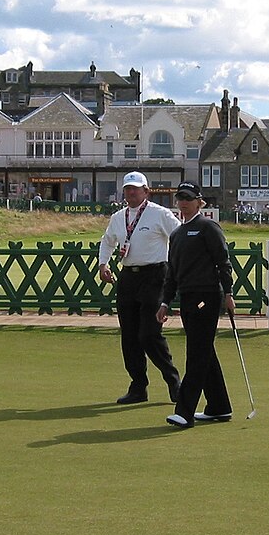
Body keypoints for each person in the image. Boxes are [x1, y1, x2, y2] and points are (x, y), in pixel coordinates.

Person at [99, 171, 182, 405]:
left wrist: (177, 268)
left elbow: (178, 237)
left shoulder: (160, 214)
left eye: (136, 188)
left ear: (146, 191)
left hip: (155, 276)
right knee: (129, 336)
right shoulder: (118, 217)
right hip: (128, 278)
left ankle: (173, 380)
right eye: (128, 189)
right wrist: (103, 264)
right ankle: (138, 386)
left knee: (149, 334)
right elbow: (108, 241)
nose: (131, 192)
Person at [156, 181, 234, 428]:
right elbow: (172, 274)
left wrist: (229, 293)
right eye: (180, 198)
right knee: (205, 352)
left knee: (197, 353)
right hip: (187, 297)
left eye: (188, 198)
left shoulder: (207, 227)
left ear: (200, 202)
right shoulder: (177, 234)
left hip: (207, 296)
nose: (183, 203)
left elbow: (223, 262)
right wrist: (165, 302)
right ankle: (218, 407)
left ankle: (185, 411)